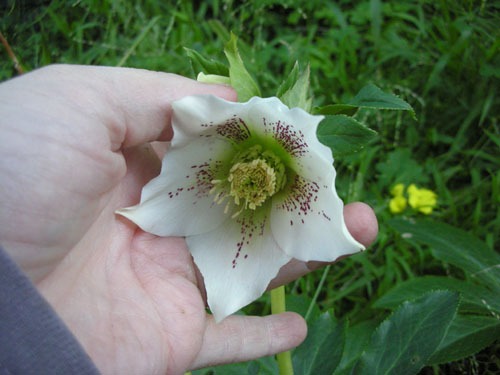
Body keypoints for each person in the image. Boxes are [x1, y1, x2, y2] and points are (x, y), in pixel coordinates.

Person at [0, 65, 378, 375]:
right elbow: (194, 119)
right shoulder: (210, 126)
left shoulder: (298, 140)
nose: (250, 184)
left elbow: (299, 140)